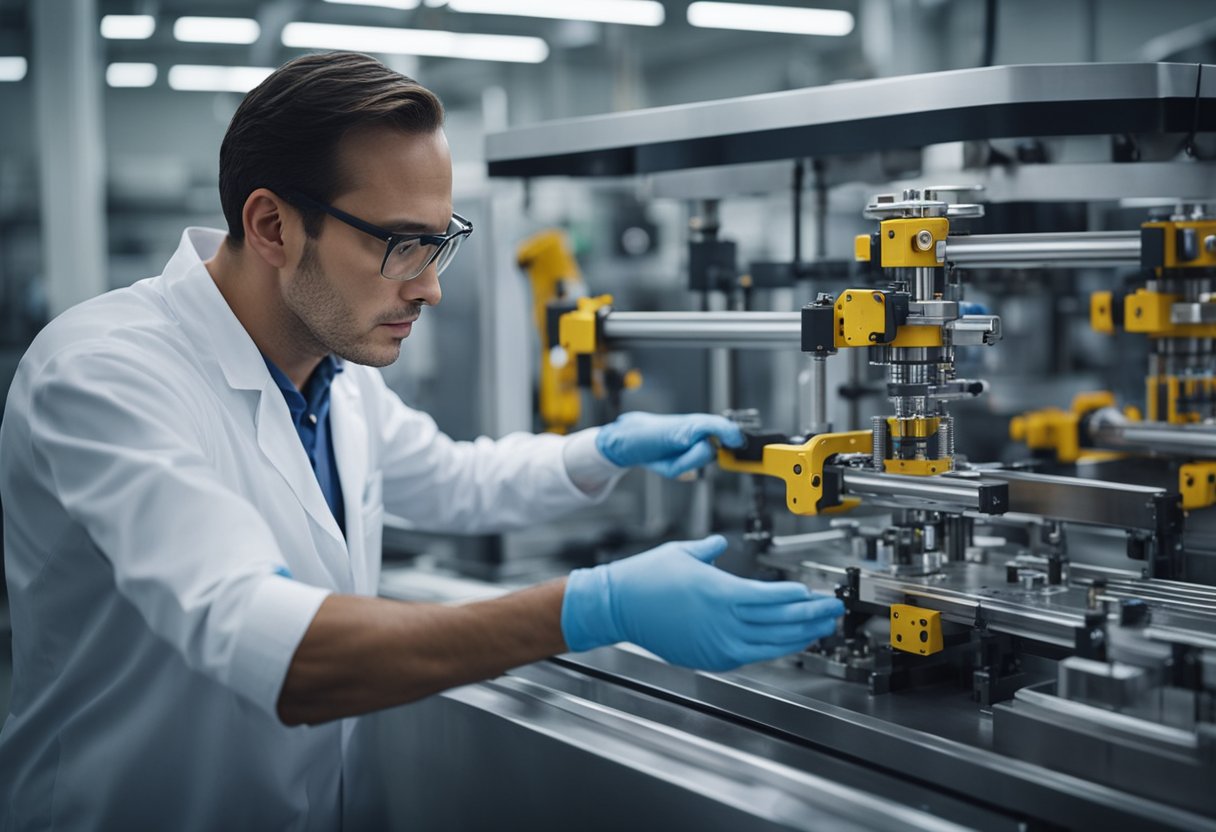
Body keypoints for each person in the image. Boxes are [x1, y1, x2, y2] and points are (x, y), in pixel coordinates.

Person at [0, 51, 843, 830]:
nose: (431, 287)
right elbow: (284, 650)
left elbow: (451, 479)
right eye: (402, 245)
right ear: (271, 226)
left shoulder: (335, 371)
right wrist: (591, 608)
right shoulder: (105, 376)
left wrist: (607, 449)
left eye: (440, 242)